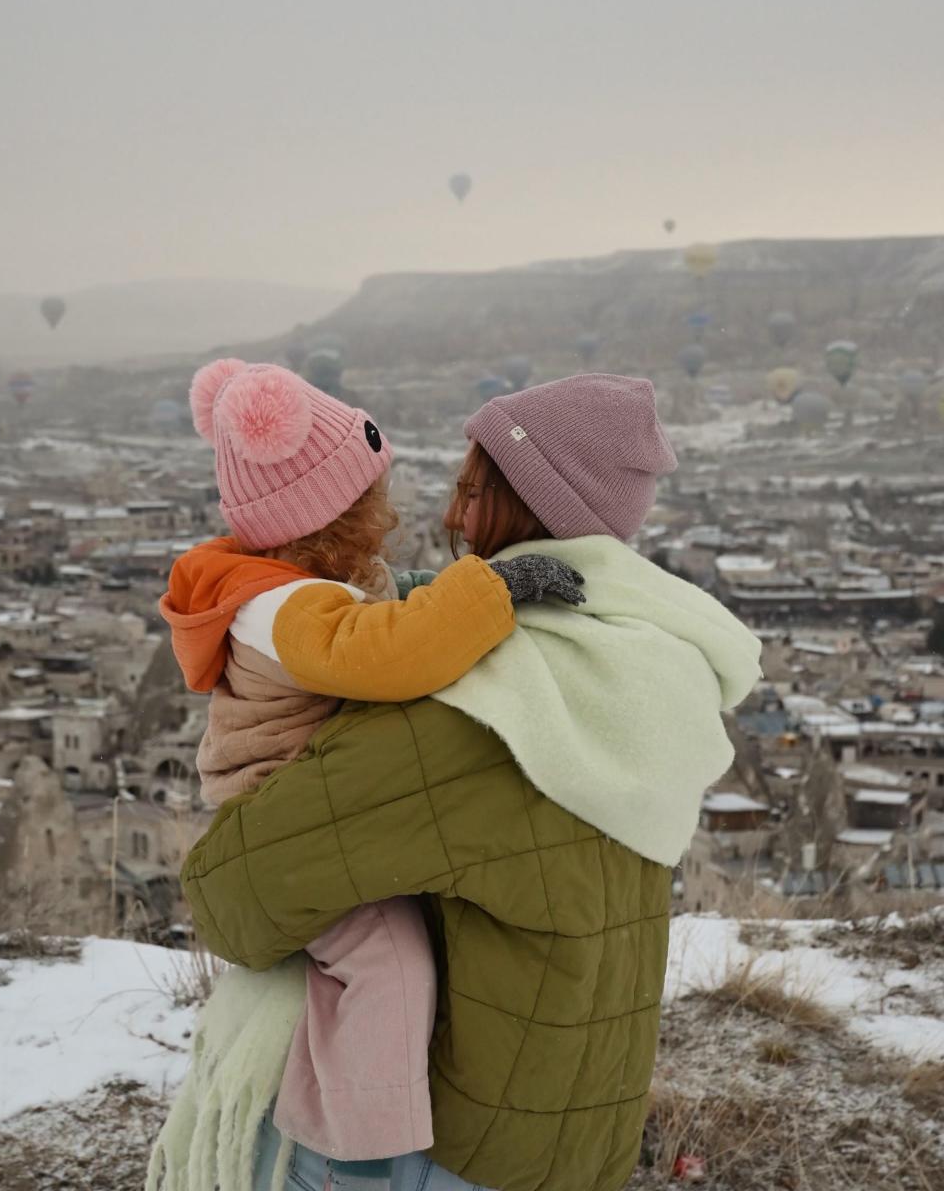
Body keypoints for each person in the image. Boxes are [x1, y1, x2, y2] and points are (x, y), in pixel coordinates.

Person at [151, 373, 761, 1191]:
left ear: (523, 503)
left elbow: (233, 896)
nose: (447, 515)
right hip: (583, 1127)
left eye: (472, 489)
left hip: (460, 1145)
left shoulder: (498, 705)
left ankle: (351, 1160)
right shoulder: (648, 661)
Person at [159, 358, 584, 1191]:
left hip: (321, 804)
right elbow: (386, 652)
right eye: (371, 500)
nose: (388, 517)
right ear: (329, 514)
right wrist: (492, 591)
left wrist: (444, 594)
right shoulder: (277, 609)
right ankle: (354, 1161)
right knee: (388, 963)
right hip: (282, 813)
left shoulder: (306, 588)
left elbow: (386, 608)